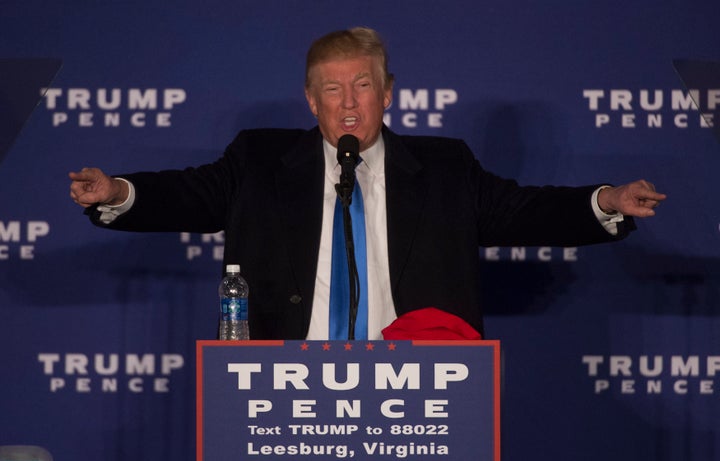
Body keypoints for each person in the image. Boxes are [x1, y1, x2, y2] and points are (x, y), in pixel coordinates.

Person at [69, 27, 665, 340]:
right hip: (287, 385)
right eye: (332, 89)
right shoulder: (258, 160)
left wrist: (605, 202)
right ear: (311, 100)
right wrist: (120, 192)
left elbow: (523, 211)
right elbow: (190, 194)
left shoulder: (445, 168)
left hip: (412, 389)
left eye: (362, 86)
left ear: (386, 94)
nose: (348, 103)